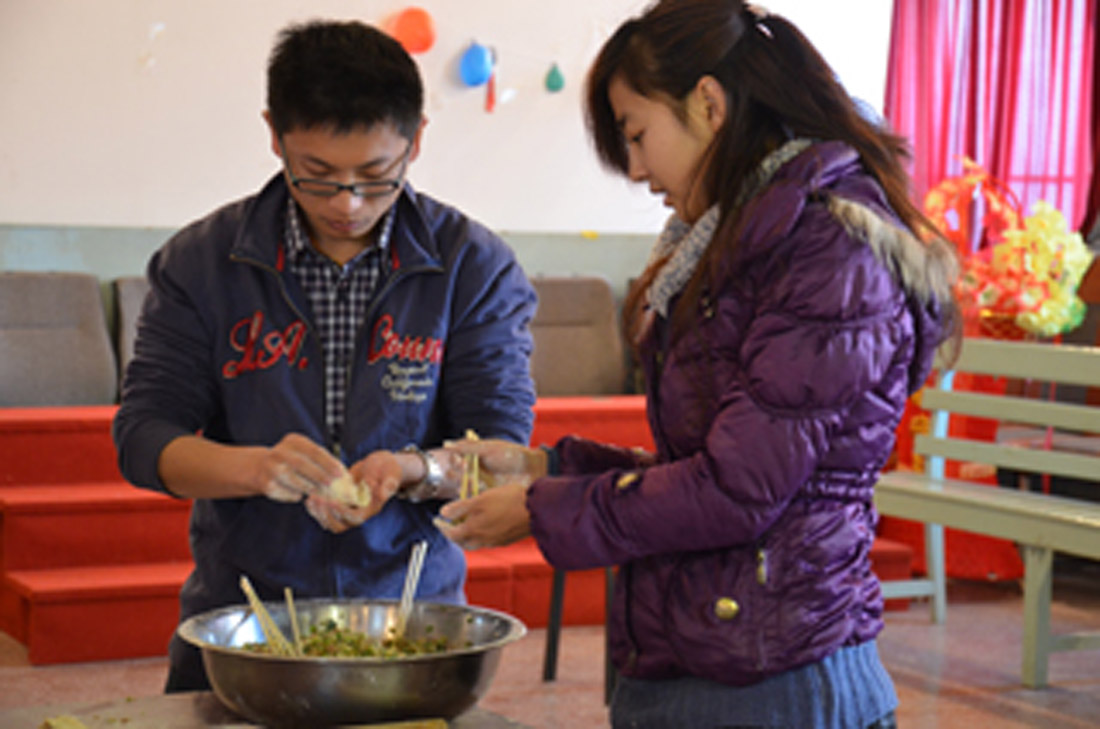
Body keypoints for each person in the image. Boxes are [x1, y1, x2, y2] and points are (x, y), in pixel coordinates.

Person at [436, 2, 960, 727]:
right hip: (709, 646)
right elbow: (707, 462)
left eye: (637, 133)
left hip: (776, 674)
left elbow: (738, 489)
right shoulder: (734, 241)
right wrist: (544, 470)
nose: (636, 166)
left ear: (709, 104)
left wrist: (539, 507)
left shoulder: (828, 251)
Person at [112, 20, 537, 692]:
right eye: (316, 176)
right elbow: (143, 439)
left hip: (408, 626)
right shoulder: (202, 263)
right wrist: (256, 468)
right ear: (275, 136)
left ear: (417, 138)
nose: (349, 203)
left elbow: (504, 448)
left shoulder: (471, 267)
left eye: (376, 175)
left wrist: (411, 468)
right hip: (241, 624)